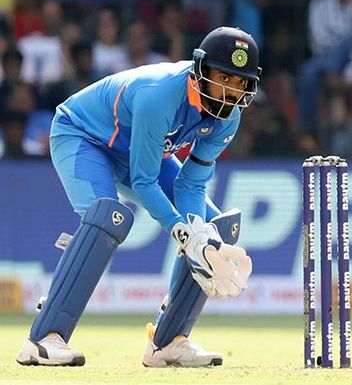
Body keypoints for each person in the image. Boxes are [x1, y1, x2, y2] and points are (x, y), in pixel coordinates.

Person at [16, 27, 260, 368]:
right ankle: (43, 338)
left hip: (138, 153)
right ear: (200, 70)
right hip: (83, 137)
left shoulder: (228, 118)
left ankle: (168, 342)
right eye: (224, 78)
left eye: (240, 82)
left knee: (213, 230)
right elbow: (145, 182)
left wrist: (197, 234)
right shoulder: (160, 95)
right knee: (106, 219)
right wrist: (181, 231)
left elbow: (191, 185)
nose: (231, 91)